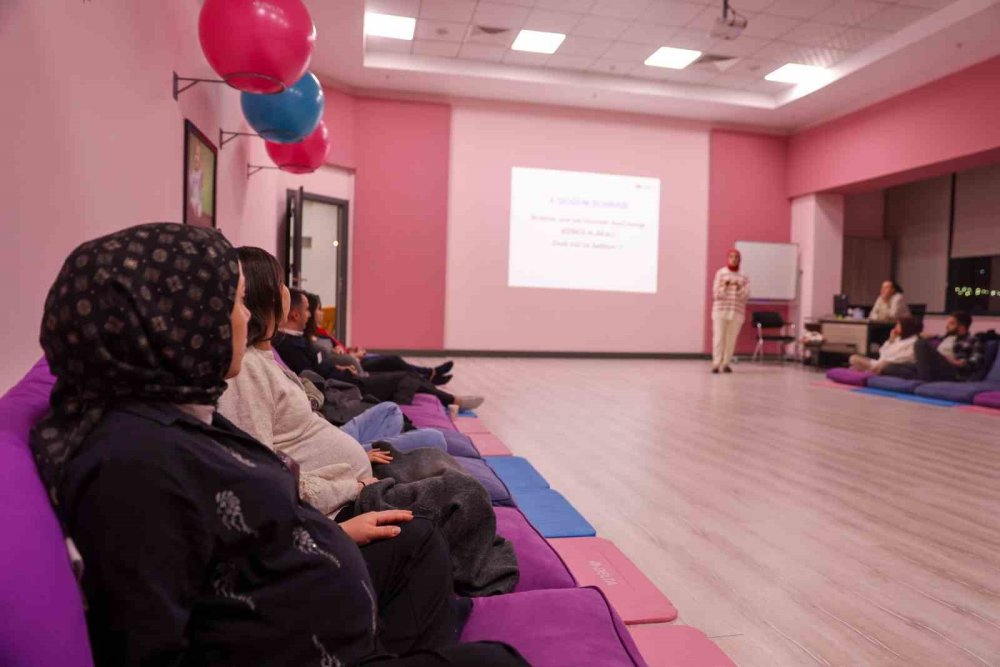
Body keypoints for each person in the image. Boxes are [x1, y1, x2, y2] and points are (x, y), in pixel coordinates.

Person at [30, 223, 526, 667]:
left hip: (320, 591)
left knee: (416, 541)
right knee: (500, 660)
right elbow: (158, 640)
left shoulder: (167, 415)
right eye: (235, 303)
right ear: (178, 323)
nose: (246, 318)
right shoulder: (132, 467)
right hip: (305, 641)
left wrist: (336, 538)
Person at [221, 247, 518, 596]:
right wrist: (353, 486)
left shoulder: (260, 357)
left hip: (350, 484)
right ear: (262, 297)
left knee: (439, 463)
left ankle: (471, 560)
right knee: (463, 492)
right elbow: (266, 480)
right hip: (341, 505)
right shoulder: (245, 372)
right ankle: (474, 584)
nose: (289, 294)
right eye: (281, 284)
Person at [277, 288, 483, 410]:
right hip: (343, 387)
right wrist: (339, 373)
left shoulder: (299, 339)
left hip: (345, 378)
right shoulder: (290, 344)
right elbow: (311, 377)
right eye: (306, 310)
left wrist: (339, 368)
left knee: (401, 370)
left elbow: (318, 367)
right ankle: (423, 405)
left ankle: (436, 385)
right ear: (295, 315)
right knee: (404, 377)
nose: (310, 314)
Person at [305, 292, 453, 384]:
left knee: (393, 361)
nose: (322, 313)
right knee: (393, 363)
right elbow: (330, 358)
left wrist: (351, 351)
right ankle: (429, 374)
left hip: (354, 360)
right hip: (355, 365)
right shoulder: (312, 339)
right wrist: (352, 355)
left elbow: (336, 350)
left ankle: (429, 374)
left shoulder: (320, 332)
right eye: (318, 309)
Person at [882, 311, 985, 381]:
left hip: (952, 371)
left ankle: (923, 379)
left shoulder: (973, 340)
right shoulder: (943, 338)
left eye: (951, 324)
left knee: (920, 344)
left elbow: (974, 364)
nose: (947, 326)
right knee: (890, 367)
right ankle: (922, 376)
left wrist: (956, 362)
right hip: (933, 368)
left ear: (962, 327)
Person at [711, 248, 750, 373]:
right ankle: (716, 363)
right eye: (731, 257)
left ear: (739, 260)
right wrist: (725, 286)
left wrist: (739, 288)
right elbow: (716, 294)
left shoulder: (744, 276)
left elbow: (746, 295)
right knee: (718, 337)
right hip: (720, 311)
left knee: (731, 339)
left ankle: (726, 363)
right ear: (728, 258)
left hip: (736, 312)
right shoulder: (720, 273)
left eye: (736, 257)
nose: (734, 259)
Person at [849, 316, 921, 374]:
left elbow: (906, 358)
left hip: (892, 365)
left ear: (906, 327)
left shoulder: (914, 342)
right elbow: (881, 351)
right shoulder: (897, 338)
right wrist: (890, 340)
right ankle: (868, 371)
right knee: (853, 358)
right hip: (878, 363)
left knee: (883, 365)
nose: (895, 327)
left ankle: (867, 371)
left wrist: (887, 360)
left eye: (898, 325)